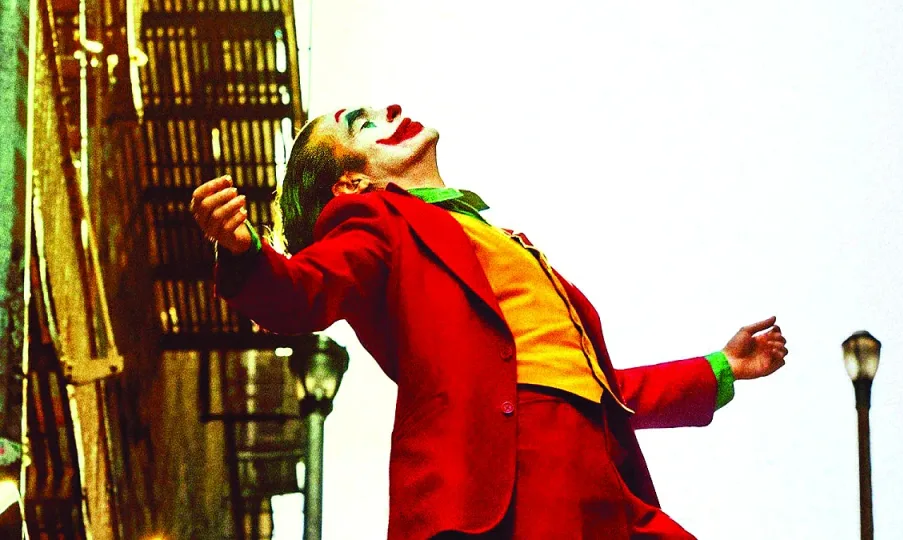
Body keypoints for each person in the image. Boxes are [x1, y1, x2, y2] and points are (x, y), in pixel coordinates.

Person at [190, 104, 788, 539]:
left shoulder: (500, 240)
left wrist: (721, 368)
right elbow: (305, 290)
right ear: (353, 182)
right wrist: (244, 252)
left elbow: (598, 390)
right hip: (516, 478)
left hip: (601, 479)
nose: (389, 109)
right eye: (362, 124)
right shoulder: (374, 224)